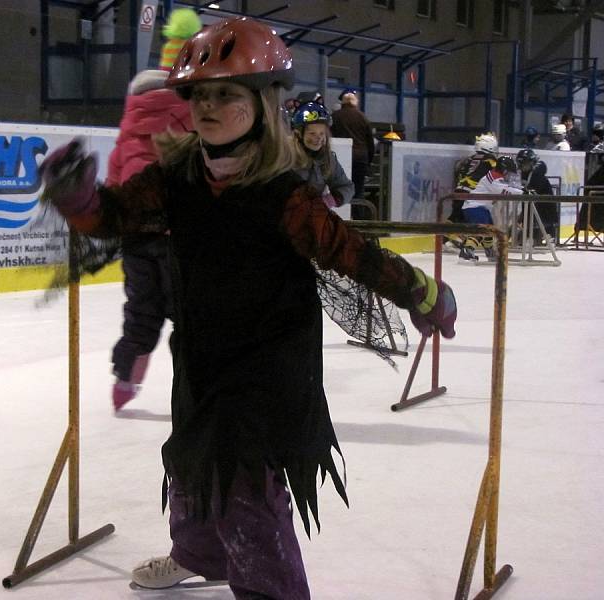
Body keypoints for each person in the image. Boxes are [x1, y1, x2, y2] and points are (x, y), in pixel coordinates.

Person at [38, 17, 457, 599]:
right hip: (204, 355)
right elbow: (113, 216)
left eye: (226, 95)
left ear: (262, 104)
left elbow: (350, 252)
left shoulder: (283, 194)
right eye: (201, 95)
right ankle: (201, 554)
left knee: (248, 495)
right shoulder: (178, 177)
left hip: (269, 368)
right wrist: (79, 198)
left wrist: (423, 292)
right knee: (191, 464)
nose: (208, 106)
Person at [106, 9, 200, 411]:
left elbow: (114, 178)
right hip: (179, 234)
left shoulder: (130, 124)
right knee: (191, 316)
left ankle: (125, 379)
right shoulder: (195, 114)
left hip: (136, 236)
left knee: (142, 312)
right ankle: (195, 390)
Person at [290, 101, 354, 207]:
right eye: (312, 133)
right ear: (298, 134)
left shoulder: (326, 158)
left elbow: (346, 186)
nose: (318, 138)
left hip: (312, 217)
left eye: (322, 133)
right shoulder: (285, 158)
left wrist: (328, 201)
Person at [459, 155, 523, 262]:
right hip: (474, 207)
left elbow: (507, 187)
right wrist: (522, 192)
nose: (509, 175)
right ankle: (467, 251)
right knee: (482, 229)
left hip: (480, 208)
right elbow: (502, 190)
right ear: (504, 169)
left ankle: (489, 251)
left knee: (490, 230)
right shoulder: (492, 177)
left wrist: (521, 189)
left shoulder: (497, 177)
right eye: (509, 172)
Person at [330, 88, 376, 219]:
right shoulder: (362, 117)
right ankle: (359, 221)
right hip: (360, 158)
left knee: (339, 188)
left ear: (342, 102)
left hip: (341, 157)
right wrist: (368, 162)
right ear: (355, 102)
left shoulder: (335, 117)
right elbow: (370, 143)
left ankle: (341, 218)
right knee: (358, 191)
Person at [516, 148, 558, 240]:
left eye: (525, 163)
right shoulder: (522, 172)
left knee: (543, 222)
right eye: (521, 163)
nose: (523, 166)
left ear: (532, 162)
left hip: (544, 204)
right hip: (531, 203)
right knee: (528, 220)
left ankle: (546, 235)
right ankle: (530, 235)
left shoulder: (537, 172)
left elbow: (541, 167)